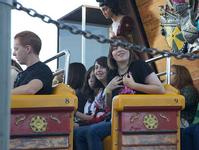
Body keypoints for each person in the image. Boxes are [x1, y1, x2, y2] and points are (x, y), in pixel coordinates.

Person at [75, 36, 165, 150]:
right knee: (79, 134)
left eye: (123, 46)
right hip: (117, 119)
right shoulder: (112, 73)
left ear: (130, 49)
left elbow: (160, 89)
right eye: (115, 48)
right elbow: (109, 106)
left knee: (93, 132)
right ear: (112, 54)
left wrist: (133, 85)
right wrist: (108, 90)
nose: (120, 50)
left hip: (138, 118)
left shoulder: (139, 65)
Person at [74, 56, 110, 150]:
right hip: (103, 120)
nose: (98, 70)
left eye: (102, 67)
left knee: (92, 131)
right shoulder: (101, 91)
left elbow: (105, 114)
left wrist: (77, 116)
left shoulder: (113, 85)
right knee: (78, 133)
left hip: (112, 120)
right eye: (96, 67)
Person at [12, 31, 53, 95]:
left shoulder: (43, 70)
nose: (13, 54)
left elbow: (30, 89)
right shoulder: (23, 74)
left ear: (28, 49)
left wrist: (3, 93)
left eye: (16, 49)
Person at [170, 65, 199, 150]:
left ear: (181, 75)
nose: (169, 75)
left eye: (172, 73)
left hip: (185, 121)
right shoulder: (174, 90)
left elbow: (182, 104)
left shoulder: (189, 89)